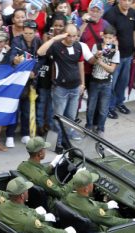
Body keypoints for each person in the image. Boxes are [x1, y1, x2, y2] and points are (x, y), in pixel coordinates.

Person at [36, 23, 85, 153]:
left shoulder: (78, 46)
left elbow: (80, 65)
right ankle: (55, 144)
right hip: (60, 89)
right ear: (64, 34)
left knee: (70, 119)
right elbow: (40, 52)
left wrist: (82, 83)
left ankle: (65, 142)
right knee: (58, 118)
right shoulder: (56, 46)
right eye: (69, 35)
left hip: (75, 88)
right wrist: (54, 38)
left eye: (74, 36)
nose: (72, 38)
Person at [0, 177, 75, 233]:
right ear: (22, 196)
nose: (28, 191)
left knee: (48, 223)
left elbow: (24, 211)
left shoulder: (3, 205)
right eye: (26, 190)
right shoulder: (29, 221)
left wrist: (43, 217)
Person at [102, 0, 135, 120]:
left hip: (128, 55)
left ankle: (119, 103)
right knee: (111, 84)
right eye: (124, 0)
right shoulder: (111, 14)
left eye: (129, 0)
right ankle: (108, 107)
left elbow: (134, 32)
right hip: (115, 56)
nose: (127, 3)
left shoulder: (132, 12)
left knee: (123, 82)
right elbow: (108, 36)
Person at [64, 170, 133, 229]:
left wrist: (106, 205)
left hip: (79, 224)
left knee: (110, 208)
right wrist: (130, 221)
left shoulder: (69, 196)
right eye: (92, 182)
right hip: (98, 229)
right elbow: (110, 221)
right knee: (113, 211)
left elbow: (90, 202)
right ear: (86, 189)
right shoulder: (92, 210)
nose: (93, 184)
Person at [85, 25, 119, 135]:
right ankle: (89, 125)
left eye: (110, 38)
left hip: (106, 83)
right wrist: (96, 56)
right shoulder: (97, 46)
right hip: (94, 81)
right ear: (102, 36)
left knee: (103, 108)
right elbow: (92, 61)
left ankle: (100, 128)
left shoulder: (115, 51)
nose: (108, 40)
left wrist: (101, 62)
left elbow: (112, 69)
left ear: (114, 38)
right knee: (91, 106)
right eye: (106, 37)